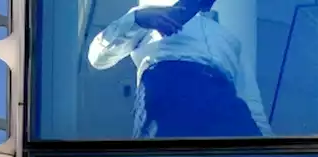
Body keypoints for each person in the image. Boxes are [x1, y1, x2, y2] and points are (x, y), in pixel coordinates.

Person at [86, 0, 273, 138]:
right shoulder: (154, 17)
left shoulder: (230, 38)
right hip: (170, 86)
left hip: (224, 98)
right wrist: (138, 19)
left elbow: (251, 101)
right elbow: (98, 57)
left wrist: (270, 150)